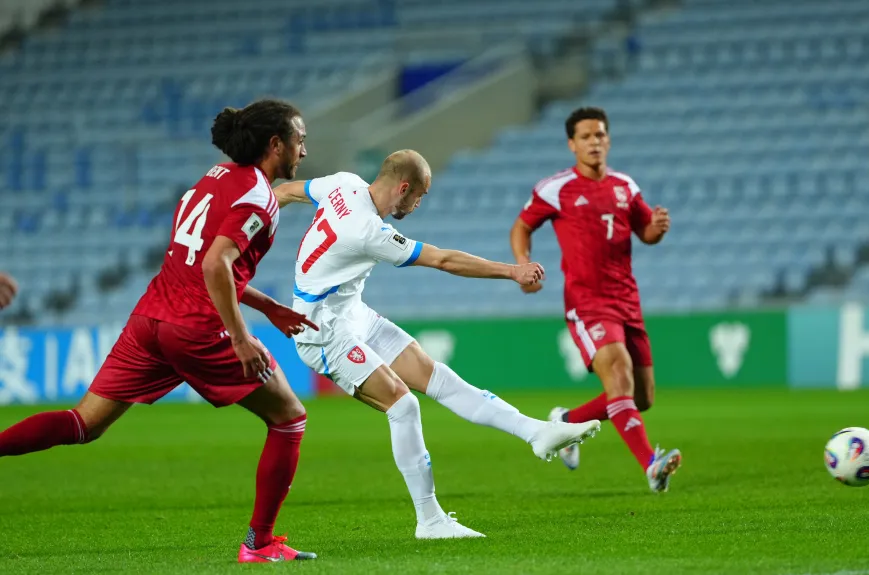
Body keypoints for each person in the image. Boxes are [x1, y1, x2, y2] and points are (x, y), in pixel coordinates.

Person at [0, 99, 319, 563]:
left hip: (150, 319)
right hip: (197, 328)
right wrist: (239, 337)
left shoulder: (214, 177)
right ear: (276, 144)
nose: (304, 151)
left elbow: (201, 262)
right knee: (289, 417)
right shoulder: (259, 198)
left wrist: (267, 306)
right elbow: (215, 264)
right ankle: (259, 543)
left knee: (83, 423)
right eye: (300, 140)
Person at [272, 150, 602, 538]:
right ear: (404, 188)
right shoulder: (368, 231)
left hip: (352, 313)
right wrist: (512, 271)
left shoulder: (343, 184)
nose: (419, 204)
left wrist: (251, 219)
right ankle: (429, 520)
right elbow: (444, 260)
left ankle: (536, 432)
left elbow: (286, 191)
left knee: (439, 378)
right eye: (420, 195)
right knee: (403, 406)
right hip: (322, 330)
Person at [509, 106, 681, 493]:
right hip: (587, 302)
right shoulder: (556, 188)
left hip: (628, 301)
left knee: (642, 396)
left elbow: (645, 232)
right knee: (619, 375)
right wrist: (522, 264)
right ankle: (652, 465)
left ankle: (566, 421)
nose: (594, 142)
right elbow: (521, 227)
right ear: (572, 144)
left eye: (600, 134)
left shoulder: (625, 186)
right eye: (585, 136)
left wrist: (657, 228)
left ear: (609, 140)